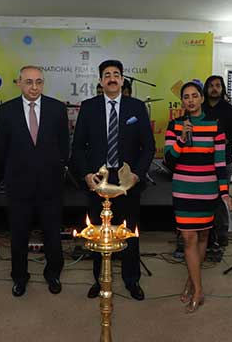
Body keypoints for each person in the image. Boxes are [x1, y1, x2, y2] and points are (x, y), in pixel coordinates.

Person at [71, 59, 155, 300]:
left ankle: (132, 280)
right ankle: (99, 280)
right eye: (107, 74)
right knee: (99, 232)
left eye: (116, 74)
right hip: (98, 180)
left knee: (128, 232)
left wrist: (137, 174)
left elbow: (148, 147)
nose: (112, 78)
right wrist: (86, 175)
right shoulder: (89, 107)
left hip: (128, 181)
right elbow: (78, 147)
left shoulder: (136, 107)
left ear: (122, 79)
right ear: (100, 81)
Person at [0, 65, 69, 297]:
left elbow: (64, 146)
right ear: (19, 82)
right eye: (29, 82)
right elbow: (1, 149)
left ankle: (53, 274)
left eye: (39, 82)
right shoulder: (6, 111)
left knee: (52, 234)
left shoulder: (57, 109)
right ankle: (19, 277)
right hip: (18, 185)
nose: (34, 87)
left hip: (51, 185)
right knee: (19, 235)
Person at [164, 81, 231, 313]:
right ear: (182, 101)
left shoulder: (215, 125)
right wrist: (182, 139)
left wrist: (224, 192)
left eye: (195, 96)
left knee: (203, 237)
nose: (191, 100)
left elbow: (220, 163)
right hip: (183, 189)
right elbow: (169, 160)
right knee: (188, 238)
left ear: (202, 98)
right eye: (186, 97)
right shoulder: (175, 125)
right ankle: (199, 290)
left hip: (207, 190)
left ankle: (191, 281)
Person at [202, 75, 232, 247]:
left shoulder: (229, 110)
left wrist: (209, 144)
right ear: (206, 88)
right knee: (203, 198)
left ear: (222, 88)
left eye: (218, 85)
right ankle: (206, 233)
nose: (214, 88)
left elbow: (230, 136)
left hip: (223, 160)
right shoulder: (200, 108)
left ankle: (222, 232)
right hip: (201, 161)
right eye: (211, 85)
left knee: (222, 197)